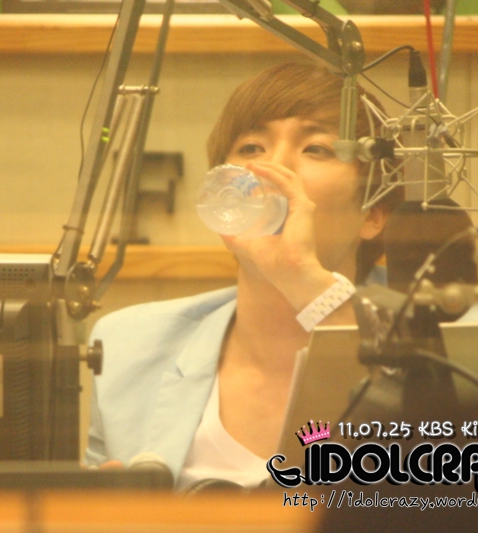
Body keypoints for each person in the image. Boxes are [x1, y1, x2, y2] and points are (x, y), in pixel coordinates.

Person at [85, 62, 400, 489]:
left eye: (315, 149)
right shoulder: (128, 346)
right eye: (251, 148)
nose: (273, 166)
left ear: (374, 213)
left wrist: (304, 280)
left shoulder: (431, 349)